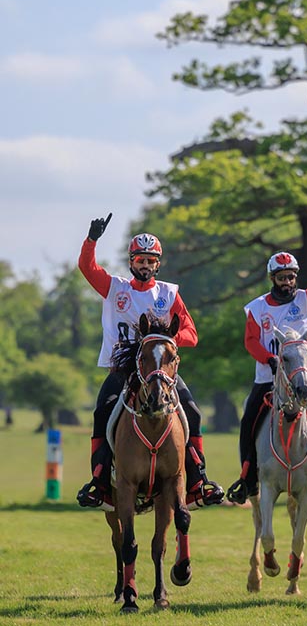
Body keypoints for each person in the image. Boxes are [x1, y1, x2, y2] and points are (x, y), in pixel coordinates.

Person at [76, 213, 224, 511]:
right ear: (131, 262)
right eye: (140, 260)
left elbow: (191, 333)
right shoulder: (115, 288)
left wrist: (163, 341)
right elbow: (87, 267)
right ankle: (101, 483)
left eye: (150, 260)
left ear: (158, 264)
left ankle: (197, 482)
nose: (145, 265)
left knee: (192, 413)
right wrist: (91, 240)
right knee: (102, 412)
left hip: (158, 368)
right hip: (123, 368)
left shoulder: (168, 293)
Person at [226, 241, 307, 504]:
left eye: (292, 276)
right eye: (283, 277)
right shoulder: (257, 307)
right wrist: (270, 359)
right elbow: (251, 340)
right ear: (273, 278)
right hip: (268, 378)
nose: (288, 282)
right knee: (248, 422)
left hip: (303, 378)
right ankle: (247, 479)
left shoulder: (306, 298)